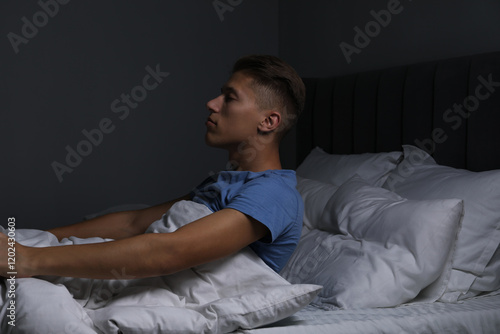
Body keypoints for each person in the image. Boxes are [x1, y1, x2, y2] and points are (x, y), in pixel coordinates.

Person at [0, 54, 306, 279]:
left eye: (229, 98)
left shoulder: (273, 194)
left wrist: (28, 259)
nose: (212, 104)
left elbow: (168, 251)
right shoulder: (224, 183)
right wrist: (31, 240)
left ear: (268, 122)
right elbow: (133, 223)